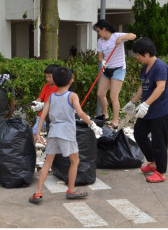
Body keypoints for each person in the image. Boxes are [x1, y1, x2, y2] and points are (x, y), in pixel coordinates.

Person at [29, 67, 103, 203]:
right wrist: (92, 125)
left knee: (47, 163)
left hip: (53, 132)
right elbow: (80, 113)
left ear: (55, 81)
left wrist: (38, 133)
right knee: (75, 161)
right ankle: (71, 189)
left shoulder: (51, 96)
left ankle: (38, 192)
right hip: (67, 133)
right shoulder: (72, 96)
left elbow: (43, 114)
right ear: (71, 80)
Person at [123, 38, 168, 183]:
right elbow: (143, 86)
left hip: (161, 110)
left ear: (146, 53)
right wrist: (133, 102)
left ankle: (161, 172)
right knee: (139, 133)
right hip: (148, 111)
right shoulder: (145, 68)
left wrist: (145, 104)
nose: (137, 58)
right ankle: (153, 161)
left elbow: (160, 88)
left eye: (138, 55)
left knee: (159, 141)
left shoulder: (160, 66)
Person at [93, 19, 136, 129]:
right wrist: (102, 61)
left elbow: (133, 36)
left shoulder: (117, 36)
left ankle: (115, 121)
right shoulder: (100, 41)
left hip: (119, 69)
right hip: (107, 69)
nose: (98, 34)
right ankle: (105, 114)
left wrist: (121, 38)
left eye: (98, 31)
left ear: (104, 29)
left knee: (113, 96)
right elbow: (100, 56)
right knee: (100, 93)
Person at [31, 64, 59, 144]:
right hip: (42, 115)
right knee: (35, 131)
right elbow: (40, 98)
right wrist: (35, 103)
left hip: (54, 116)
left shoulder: (59, 88)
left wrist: (43, 105)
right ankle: (31, 150)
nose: (47, 79)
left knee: (52, 135)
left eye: (50, 77)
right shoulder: (46, 86)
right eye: (46, 77)